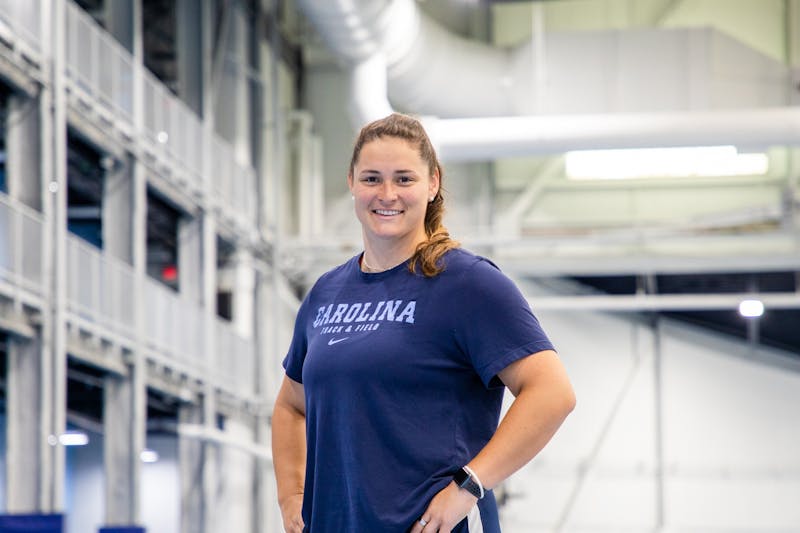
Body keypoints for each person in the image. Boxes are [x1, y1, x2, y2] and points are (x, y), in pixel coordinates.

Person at [272, 112, 575, 533]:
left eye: (404, 179)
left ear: (433, 183)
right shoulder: (326, 294)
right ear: (352, 183)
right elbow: (290, 405)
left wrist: (468, 487)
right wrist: (292, 497)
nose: (387, 194)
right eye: (372, 178)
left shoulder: (468, 284)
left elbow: (552, 392)